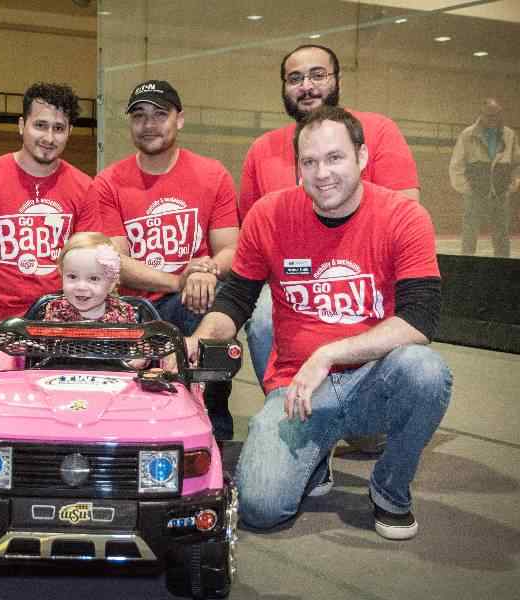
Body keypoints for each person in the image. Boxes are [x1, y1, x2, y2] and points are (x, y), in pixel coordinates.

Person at [186, 106, 452, 540]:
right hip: (299, 393)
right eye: (309, 162)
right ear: (297, 168)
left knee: (426, 370)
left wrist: (328, 354)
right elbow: (235, 301)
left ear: (362, 158)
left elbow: (420, 318)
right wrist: (199, 338)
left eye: (335, 158)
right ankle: (315, 457)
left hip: (372, 382)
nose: (322, 173)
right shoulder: (269, 215)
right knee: (259, 509)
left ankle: (390, 491)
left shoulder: (404, 216)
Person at [240, 44, 420, 454]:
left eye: (318, 75)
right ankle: (292, 408)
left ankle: (363, 412)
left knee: (420, 365)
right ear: (284, 89)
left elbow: (408, 212)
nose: (307, 86)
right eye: (295, 78)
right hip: (294, 286)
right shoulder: (261, 149)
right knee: (264, 314)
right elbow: (251, 239)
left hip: (361, 282)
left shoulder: (379, 130)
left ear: (338, 80)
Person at [88, 80, 239, 440]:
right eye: (139, 116)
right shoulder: (109, 182)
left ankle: (212, 423)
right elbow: (115, 262)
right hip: (133, 305)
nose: (149, 124)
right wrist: (180, 278)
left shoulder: (212, 174)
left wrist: (207, 270)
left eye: (160, 114)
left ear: (180, 120)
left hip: (191, 301)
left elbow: (230, 250)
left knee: (212, 302)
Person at [0, 82, 100, 343]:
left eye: (58, 128)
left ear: (69, 131)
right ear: (21, 125)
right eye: (40, 125)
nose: (49, 138)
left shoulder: (84, 187)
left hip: (66, 326)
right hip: (6, 325)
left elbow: (89, 265)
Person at [449, 98, 520, 257]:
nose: (492, 119)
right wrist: (466, 188)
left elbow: (517, 164)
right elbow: (456, 165)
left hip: (500, 196)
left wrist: (513, 184)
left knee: (502, 237)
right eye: (489, 115)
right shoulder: (467, 135)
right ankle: (465, 270)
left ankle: (504, 272)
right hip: (474, 195)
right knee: (469, 237)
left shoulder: (509, 135)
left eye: (496, 115)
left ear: (500, 115)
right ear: (481, 115)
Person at [43, 232, 137, 323]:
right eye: (72, 276)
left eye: (93, 278)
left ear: (111, 283)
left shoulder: (123, 313)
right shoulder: (56, 310)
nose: (81, 287)